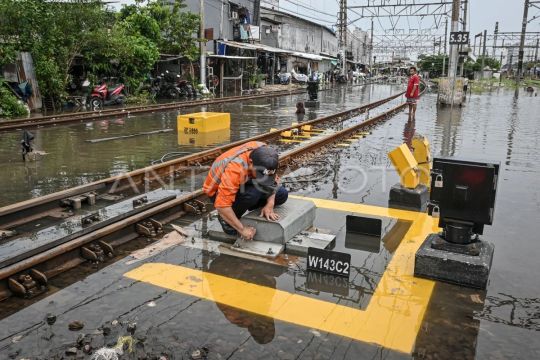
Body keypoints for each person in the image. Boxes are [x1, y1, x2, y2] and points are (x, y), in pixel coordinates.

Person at [202, 141, 288, 240]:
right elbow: (222, 205)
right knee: (252, 194)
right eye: (261, 174)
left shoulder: (267, 154)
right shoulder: (234, 169)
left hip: (246, 180)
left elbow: (273, 181)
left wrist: (270, 204)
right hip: (218, 193)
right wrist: (242, 229)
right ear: (251, 162)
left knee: (282, 194)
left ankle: (250, 204)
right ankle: (225, 219)